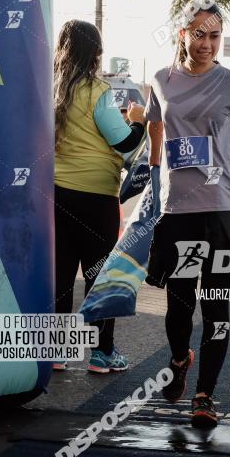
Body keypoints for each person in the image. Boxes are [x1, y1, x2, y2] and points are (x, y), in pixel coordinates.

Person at [144, 2, 230, 428]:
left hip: (221, 209)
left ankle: (205, 394)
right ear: (182, 33)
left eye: (215, 36)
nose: (207, 44)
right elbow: (155, 126)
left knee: (216, 307)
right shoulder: (161, 80)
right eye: (199, 34)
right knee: (179, 308)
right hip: (180, 211)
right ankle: (178, 357)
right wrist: (153, 175)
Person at [53, 20, 145, 373]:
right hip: (96, 197)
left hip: (58, 195)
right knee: (99, 276)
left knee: (62, 274)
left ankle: (58, 352)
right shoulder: (97, 91)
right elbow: (123, 142)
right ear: (95, 53)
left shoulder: (52, 90)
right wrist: (136, 120)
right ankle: (101, 353)